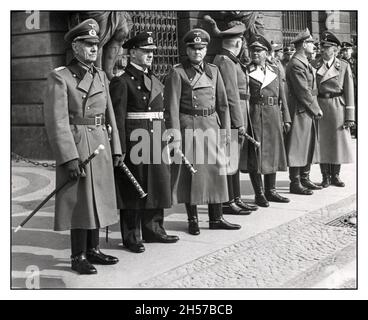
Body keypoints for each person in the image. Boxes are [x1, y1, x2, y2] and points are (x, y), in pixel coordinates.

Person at [43, 19, 122, 275]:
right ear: (75, 46)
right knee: (80, 201)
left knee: (97, 197)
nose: (93, 49)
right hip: (78, 143)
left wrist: (117, 148)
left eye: (96, 45)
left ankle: (93, 249)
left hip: (99, 142)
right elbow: (57, 121)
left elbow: (109, 113)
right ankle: (78, 255)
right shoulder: (61, 77)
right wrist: (69, 158)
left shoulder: (100, 75)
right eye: (87, 44)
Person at [164, 28, 241, 235]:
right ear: (187, 50)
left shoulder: (214, 71)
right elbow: (171, 108)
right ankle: (193, 219)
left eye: (201, 48)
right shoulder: (178, 72)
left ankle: (216, 217)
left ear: (206, 49)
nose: (197, 52)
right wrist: (174, 137)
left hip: (212, 125)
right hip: (190, 125)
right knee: (192, 175)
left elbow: (223, 105)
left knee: (216, 171)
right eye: (193, 48)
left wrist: (225, 132)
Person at [109, 32, 179, 254]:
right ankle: (131, 236)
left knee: (157, 183)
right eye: (145, 51)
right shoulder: (121, 82)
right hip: (134, 140)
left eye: (151, 52)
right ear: (131, 53)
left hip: (155, 139)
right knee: (133, 189)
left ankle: (154, 230)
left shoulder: (154, 80)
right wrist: (119, 149)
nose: (150, 55)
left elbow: (162, 113)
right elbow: (118, 119)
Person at [211, 21, 258, 215]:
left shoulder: (230, 60)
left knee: (234, 160)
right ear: (238, 43)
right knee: (229, 160)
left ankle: (236, 198)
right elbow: (230, 95)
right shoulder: (225, 61)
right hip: (231, 118)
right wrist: (238, 123)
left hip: (237, 114)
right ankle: (227, 201)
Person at [245, 34, 291, 207]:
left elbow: (282, 96)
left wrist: (286, 117)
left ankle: (271, 190)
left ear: (266, 53)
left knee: (273, 152)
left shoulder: (275, 70)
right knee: (256, 155)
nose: (255, 54)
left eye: (259, 51)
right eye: (252, 50)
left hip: (273, 113)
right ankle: (259, 193)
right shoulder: (246, 70)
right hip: (255, 113)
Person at [312, 31, 355, 188]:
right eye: (322, 47)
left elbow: (349, 91)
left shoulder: (343, 66)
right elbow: (312, 89)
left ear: (335, 49)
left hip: (338, 106)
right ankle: (325, 176)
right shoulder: (314, 65)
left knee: (337, 143)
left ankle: (335, 175)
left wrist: (350, 116)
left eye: (327, 47)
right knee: (322, 142)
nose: (323, 50)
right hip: (321, 105)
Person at [285, 28, 323, 195]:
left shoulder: (303, 61)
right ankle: (295, 182)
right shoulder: (296, 64)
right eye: (311, 43)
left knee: (308, 144)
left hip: (306, 109)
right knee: (298, 146)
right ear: (303, 44)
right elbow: (302, 91)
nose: (313, 46)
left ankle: (305, 178)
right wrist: (316, 109)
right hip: (301, 109)